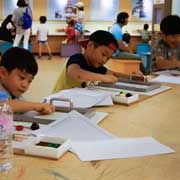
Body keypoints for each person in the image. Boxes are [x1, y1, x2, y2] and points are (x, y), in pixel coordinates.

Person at [53, 30, 143, 92]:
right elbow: (77, 74)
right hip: (59, 102)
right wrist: (105, 78)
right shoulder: (77, 59)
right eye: (103, 54)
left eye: (108, 58)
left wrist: (133, 77)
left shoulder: (96, 66)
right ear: (90, 46)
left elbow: (114, 74)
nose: (104, 60)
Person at [0, 47, 55, 114]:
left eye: (29, 81)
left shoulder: (16, 95)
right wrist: (36, 106)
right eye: (22, 78)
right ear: (3, 73)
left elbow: (22, 108)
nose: (25, 85)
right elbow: (3, 106)